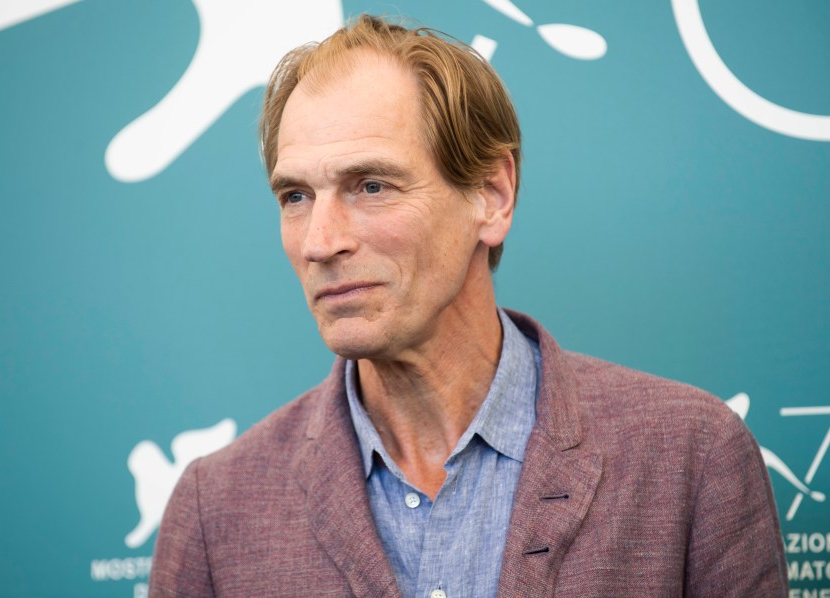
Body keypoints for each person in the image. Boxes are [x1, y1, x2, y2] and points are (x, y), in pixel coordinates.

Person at [149, 14, 787, 597]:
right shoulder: (217, 510)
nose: (320, 241)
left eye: (371, 185)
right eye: (295, 197)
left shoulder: (688, 458)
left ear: (492, 195)